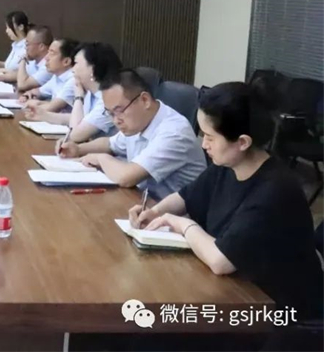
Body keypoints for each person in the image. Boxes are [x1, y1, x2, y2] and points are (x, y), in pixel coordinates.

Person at [129, 82, 323, 344]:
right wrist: (153, 212)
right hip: (239, 292)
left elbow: (221, 261)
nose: (204, 144)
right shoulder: (227, 166)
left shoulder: (275, 191)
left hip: (277, 315)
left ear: (242, 142)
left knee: (154, 332)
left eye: (210, 137)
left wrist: (181, 225)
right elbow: (185, 197)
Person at [59, 70, 207, 200]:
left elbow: (126, 177)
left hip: (173, 216)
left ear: (145, 100)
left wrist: (100, 158)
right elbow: (110, 144)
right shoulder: (140, 121)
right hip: (142, 203)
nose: (116, 120)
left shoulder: (174, 132)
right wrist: (78, 149)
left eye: (119, 111)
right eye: (110, 113)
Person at [57, 42, 121, 143]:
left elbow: (75, 135)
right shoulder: (90, 93)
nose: (72, 69)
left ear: (93, 68)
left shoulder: (109, 99)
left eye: (76, 63)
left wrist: (78, 98)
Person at [21, 38, 79, 124]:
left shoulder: (73, 80)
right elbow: (36, 92)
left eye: (52, 53)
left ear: (66, 61)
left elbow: (52, 108)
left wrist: (33, 103)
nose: (46, 58)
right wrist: (27, 96)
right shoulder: (57, 76)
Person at [0, 25, 53, 91]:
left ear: (41, 47)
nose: (25, 47)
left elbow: (22, 85)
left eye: (27, 44)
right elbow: (18, 74)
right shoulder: (34, 61)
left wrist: (23, 60)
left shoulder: (48, 66)